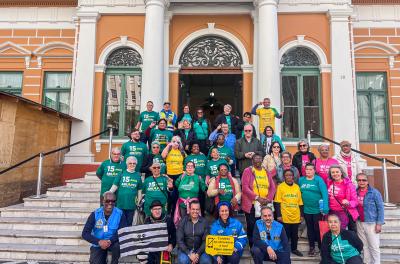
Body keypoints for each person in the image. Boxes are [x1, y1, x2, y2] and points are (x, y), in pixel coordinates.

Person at [82, 191, 127, 264]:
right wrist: (99, 242)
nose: (110, 203)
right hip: (98, 243)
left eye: (113, 201)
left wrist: (110, 241)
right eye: (107, 201)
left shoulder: (120, 213)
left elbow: (123, 231)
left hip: (112, 242)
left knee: (117, 246)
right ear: (102, 201)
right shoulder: (95, 214)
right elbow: (85, 233)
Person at [241, 154, 276, 247]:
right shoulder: (248, 171)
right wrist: (257, 198)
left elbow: (272, 187)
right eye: (255, 159)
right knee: (252, 226)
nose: (257, 161)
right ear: (252, 161)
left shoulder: (266, 172)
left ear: (262, 161)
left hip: (264, 204)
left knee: (264, 226)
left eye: (259, 159)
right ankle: (253, 246)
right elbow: (245, 187)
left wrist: (268, 199)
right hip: (251, 205)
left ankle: (264, 245)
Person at [299, 163, 329, 256]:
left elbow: (324, 193)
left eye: (310, 169)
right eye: (307, 169)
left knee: (317, 229)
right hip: (306, 209)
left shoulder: (318, 180)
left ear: (314, 170)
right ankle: (312, 248)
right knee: (310, 229)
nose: (308, 171)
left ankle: (321, 247)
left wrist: (325, 207)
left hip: (317, 209)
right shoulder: (301, 180)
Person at [274, 169, 304, 257]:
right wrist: (278, 215)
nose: (289, 177)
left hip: (295, 215)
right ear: (284, 177)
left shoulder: (297, 187)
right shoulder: (280, 187)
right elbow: (277, 202)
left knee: (295, 234)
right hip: (285, 215)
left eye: (290, 175)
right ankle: (285, 249)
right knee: (285, 234)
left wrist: (301, 215)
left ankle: (294, 249)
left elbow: (300, 202)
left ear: (293, 176)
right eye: (287, 175)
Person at [356, 172, 384, 264]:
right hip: (359, 222)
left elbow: (380, 208)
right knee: (364, 246)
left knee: (374, 246)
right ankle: (366, 262)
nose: (361, 182)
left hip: (371, 222)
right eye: (359, 180)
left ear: (367, 181)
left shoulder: (374, 192)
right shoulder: (355, 192)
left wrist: (379, 223)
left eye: (364, 180)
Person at [109, 156, 143, 226]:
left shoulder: (137, 175)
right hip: (121, 204)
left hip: (131, 205)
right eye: (130, 163)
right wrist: (108, 194)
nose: (132, 165)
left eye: (134, 163)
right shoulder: (121, 174)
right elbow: (114, 186)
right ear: (127, 164)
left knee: (129, 223)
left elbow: (139, 190)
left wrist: (139, 201)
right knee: (120, 223)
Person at [328, 165, 359, 231]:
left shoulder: (348, 185)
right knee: (335, 233)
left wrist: (348, 202)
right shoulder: (329, 183)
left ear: (341, 173)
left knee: (344, 233)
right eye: (333, 172)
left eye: (337, 172)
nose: (335, 174)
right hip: (332, 212)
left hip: (344, 213)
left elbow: (355, 201)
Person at [174, 161, 206, 225]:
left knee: (194, 222)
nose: (189, 168)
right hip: (182, 204)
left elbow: (204, 188)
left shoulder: (198, 177)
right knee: (183, 222)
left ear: (194, 168)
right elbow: (176, 185)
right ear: (185, 168)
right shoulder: (181, 177)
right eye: (188, 166)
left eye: (191, 166)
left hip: (194, 206)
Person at [144, 200, 176, 264]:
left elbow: (174, 235)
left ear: (162, 209)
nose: (157, 211)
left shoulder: (168, 220)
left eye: (159, 209)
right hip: (151, 248)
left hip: (164, 248)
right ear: (151, 210)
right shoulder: (147, 221)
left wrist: (171, 244)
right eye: (155, 209)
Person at [162, 135, 186, 216]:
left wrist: (185, 171)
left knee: (177, 195)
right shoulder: (168, 150)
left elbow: (187, 161)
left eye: (178, 142)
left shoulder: (182, 152)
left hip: (179, 175)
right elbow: (163, 156)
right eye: (174, 141)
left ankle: (176, 214)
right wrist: (169, 145)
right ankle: (168, 213)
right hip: (170, 175)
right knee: (169, 195)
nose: (176, 143)